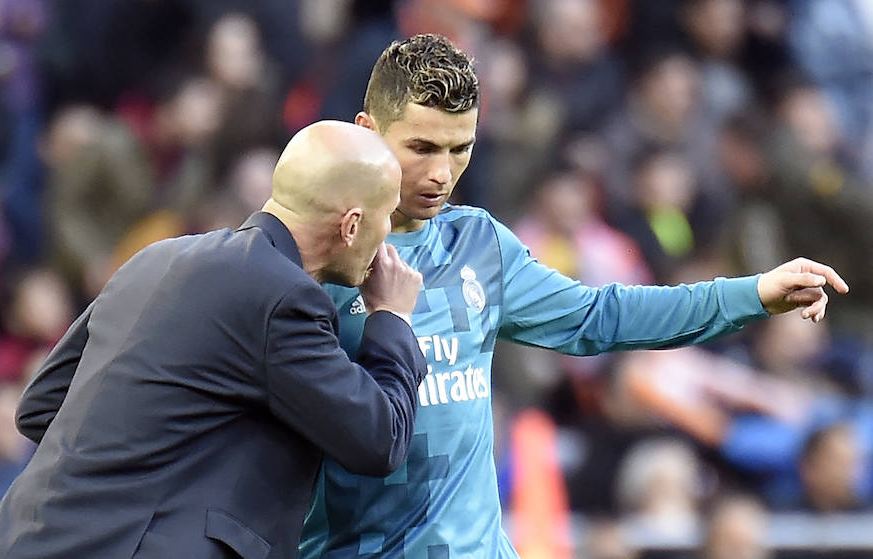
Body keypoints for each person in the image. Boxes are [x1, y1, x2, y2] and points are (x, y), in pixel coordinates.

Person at [299, 33, 849, 558]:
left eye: (460, 148)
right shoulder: (312, 261)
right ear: (367, 131)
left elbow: (599, 315)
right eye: (420, 147)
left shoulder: (479, 245)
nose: (442, 173)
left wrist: (750, 294)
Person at [0, 121, 428, 559]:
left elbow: (41, 405)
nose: (388, 234)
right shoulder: (284, 297)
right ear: (351, 225)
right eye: (387, 217)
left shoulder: (158, 257)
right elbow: (380, 438)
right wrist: (392, 318)